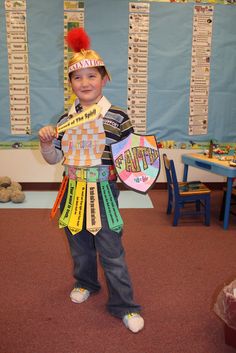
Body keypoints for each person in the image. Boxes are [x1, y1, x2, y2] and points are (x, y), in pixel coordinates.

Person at [38, 28, 144, 333]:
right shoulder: (63, 120)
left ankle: (125, 305)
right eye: (77, 77)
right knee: (79, 245)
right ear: (70, 83)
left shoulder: (118, 117)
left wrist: (144, 161)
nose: (85, 83)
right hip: (71, 189)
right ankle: (86, 282)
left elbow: (131, 158)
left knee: (111, 250)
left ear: (104, 79)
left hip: (104, 190)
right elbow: (54, 158)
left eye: (92, 76)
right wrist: (47, 143)